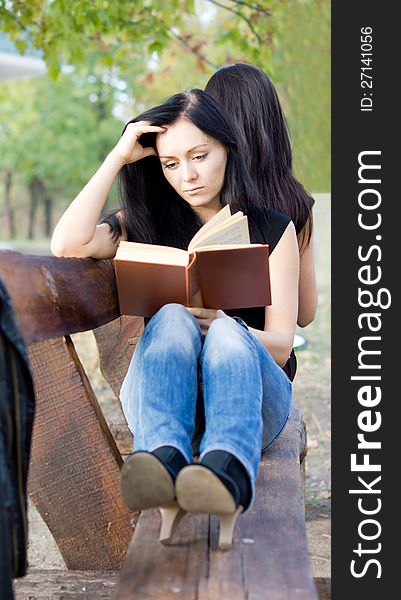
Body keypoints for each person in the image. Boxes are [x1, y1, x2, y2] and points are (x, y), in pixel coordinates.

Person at [50, 89, 299, 550]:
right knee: (169, 317)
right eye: (170, 163)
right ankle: (163, 459)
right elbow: (67, 244)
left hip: (252, 403)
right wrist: (118, 156)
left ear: (227, 146)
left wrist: (222, 320)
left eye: (200, 156)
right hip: (165, 397)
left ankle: (228, 468)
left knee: (226, 331)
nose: (187, 175)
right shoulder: (144, 221)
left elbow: (282, 343)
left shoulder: (272, 227)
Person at [205, 63, 317, 334]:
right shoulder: (295, 200)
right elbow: (305, 312)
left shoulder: (202, 195)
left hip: (223, 348)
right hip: (271, 357)